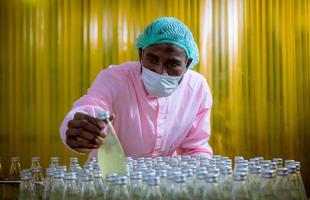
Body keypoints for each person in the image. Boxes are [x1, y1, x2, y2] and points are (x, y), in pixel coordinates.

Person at [60, 17, 213, 159]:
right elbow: (91, 107)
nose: (160, 71)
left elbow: (196, 149)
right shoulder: (115, 78)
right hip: (110, 179)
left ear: (187, 63)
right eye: (153, 59)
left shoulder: (196, 89)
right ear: (141, 54)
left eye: (173, 64)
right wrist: (79, 128)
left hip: (164, 183)